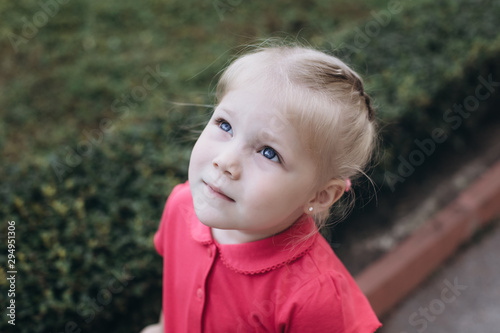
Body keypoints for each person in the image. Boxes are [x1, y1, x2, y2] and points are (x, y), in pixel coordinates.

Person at [141, 42, 381, 332]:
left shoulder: (315, 298)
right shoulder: (181, 206)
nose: (226, 161)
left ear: (320, 196)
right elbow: (174, 296)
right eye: (225, 125)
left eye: (268, 152)